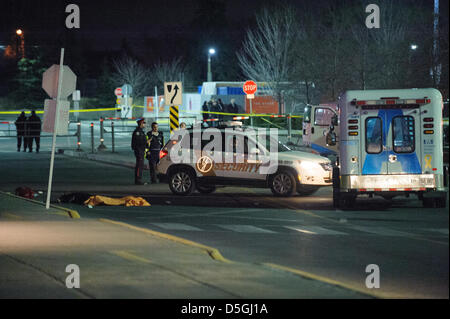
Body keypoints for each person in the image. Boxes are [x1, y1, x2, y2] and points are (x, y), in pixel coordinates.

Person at [131, 118, 147, 185]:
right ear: (141, 123)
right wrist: (146, 142)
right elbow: (139, 142)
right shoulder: (137, 132)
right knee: (139, 165)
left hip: (141, 150)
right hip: (139, 150)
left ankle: (139, 179)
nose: (145, 124)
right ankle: (138, 180)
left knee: (140, 165)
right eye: (144, 123)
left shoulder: (141, 131)